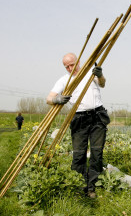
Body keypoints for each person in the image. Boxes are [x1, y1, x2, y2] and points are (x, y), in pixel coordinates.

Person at [46, 53, 110, 199]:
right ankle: (79, 186)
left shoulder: (89, 73)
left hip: (98, 116)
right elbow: (48, 98)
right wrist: (57, 99)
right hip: (79, 118)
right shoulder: (65, 80)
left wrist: (100, 75)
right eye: (66, 66)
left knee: (96, 153)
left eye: (72, 65)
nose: (70, 68)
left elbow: (103, 84)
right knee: (79, 155)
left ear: (78, 62)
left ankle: (92, 187)